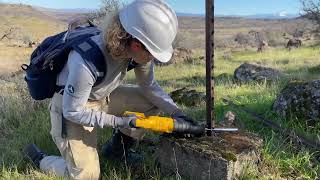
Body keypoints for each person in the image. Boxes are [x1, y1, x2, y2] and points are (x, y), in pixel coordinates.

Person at [23, 0, 195, 179]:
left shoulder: (138, 53)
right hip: (72, 108)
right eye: (153, 53)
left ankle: (117, 150)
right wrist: (120, 122)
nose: (154, 58)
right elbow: (73, 111)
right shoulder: (86, 61)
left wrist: (177, 113)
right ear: (136, 45)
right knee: (87, 176)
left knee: (151, 102)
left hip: (102, 95)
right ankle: (42, 160)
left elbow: (149, 86)